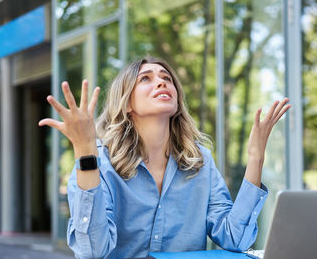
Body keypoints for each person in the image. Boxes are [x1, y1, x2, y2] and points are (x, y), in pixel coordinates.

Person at [38, 57, 290, 258]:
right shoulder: (100, 164)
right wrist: (85, 151)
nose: (161, 82)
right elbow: (92, 252)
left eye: (166, 78)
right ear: (126, 104)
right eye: (145, 78)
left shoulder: (200, 161)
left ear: (177, 100)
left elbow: (235, 239)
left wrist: (255, 158)